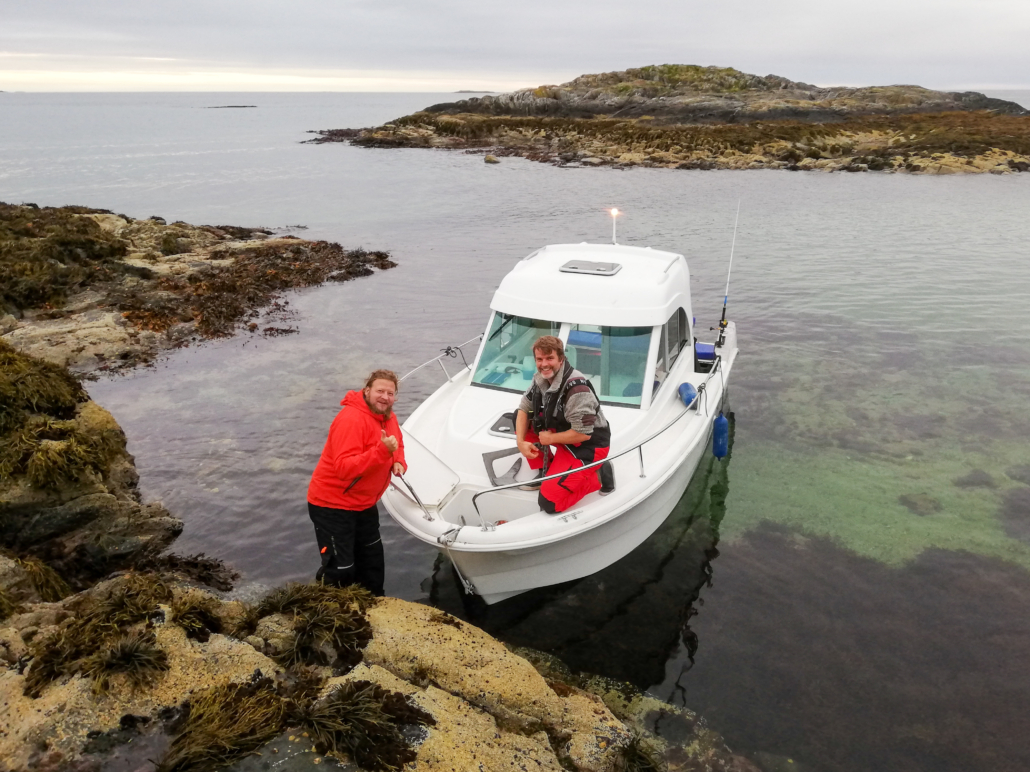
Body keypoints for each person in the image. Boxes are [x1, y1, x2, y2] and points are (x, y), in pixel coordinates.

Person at [307, 369, 406, 595]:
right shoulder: (351, 420)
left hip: (363, 503)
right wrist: (382, 451)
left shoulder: (389, 417)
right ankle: (329, 613)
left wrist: (398, 461)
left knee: (372, 564)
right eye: (380, 391)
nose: (385, 397)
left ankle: (373, 610)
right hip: (332, 505)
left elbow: (397, 443)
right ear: (367, 390)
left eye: (390, 393)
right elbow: (344, 469)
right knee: (341, 569)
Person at [515, 335, 612, 514]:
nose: (544, 364)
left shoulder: (576, 389)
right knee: (522, 417)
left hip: (587, 445)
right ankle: (546, 469)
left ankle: (596, 475)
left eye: (549, 358)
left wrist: (550, 438)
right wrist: (520, 442)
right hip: (564, 436)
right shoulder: (540, 379)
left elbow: (583, 434)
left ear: (561, 359)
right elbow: (524, 408)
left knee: (549, 504)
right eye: (539, 359)